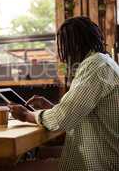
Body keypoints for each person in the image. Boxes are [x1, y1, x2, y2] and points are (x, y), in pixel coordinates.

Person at [9, 17, 119, 171]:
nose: (62, 55)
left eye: (63, 47)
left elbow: (63, 118)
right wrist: (51, 107)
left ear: (74, 45)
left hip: (99, 162)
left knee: (15, 168)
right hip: (99, 150)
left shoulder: (95, 66)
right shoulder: (103, 62)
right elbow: (79, 112)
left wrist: (27, 115)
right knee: (41, 152)